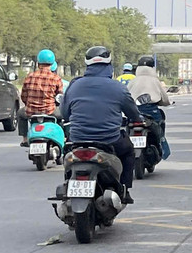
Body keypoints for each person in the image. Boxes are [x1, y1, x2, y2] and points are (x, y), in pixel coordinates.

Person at [58, 45, 144, 204]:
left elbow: (64, 113)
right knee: (128, 152)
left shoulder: (74, 86)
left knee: (67, 155)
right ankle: (124, 189)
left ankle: (68, 185)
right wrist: (137, 119)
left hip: (77, 140)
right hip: (109, 140)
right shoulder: (118, 88)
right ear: (109, 65)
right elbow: (133, 113)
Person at [18, 49, 63, 146]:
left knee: (20, 113)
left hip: (31, 111)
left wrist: (29, 104)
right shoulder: (56, 78)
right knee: (63, 115)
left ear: (38, 62)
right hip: (50, 111)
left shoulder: (30, 76)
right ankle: (63, 137)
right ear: (52, 63)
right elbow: (59, 97)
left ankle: (25, 139)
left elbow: (24, 96)